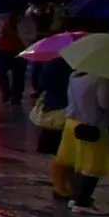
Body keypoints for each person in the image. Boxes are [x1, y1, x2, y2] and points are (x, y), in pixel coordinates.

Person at [54, 70, 109, 213]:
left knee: (79, 162)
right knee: (93, 165)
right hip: (92, 125)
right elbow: (104, 104)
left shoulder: (75, 75)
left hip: (72, 123)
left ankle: (75, 197)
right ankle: (82, 202)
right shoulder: (102, 79)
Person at [34, 55, 75, 193]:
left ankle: (61, 186)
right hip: (69, 112)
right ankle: (65, 186)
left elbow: (41, 83)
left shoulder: (55, 63)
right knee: (65, 151)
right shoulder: (80, 68)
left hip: (54, 109)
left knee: (59, 151)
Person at [0, 13, 27, 104]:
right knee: (1, 71)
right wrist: (1, 29)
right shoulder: (1, 18)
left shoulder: (25, 20)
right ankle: (6, 92)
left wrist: (17, 34)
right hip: (3, 50)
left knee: (18, 74)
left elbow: (31, 34)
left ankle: (16, 96)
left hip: (19, 50)